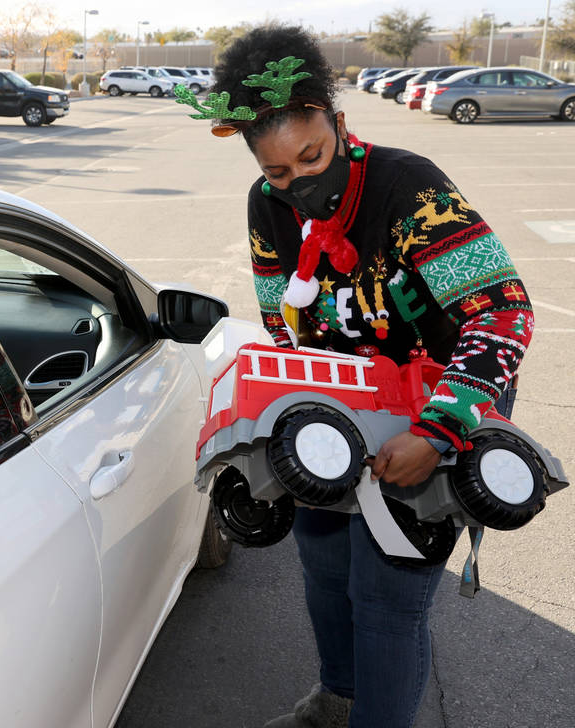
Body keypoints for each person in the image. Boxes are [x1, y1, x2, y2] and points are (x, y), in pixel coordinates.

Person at [174, 26, 534, 728]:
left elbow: (501, 313)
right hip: (341, 404)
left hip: (444, 397)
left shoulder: (409, 187)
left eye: (312, 155)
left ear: (338, 124)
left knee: (387, 593)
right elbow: (284, 322)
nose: (300, 182)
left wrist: (437, 430)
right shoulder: (266, 205)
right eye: (278, 171)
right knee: (326, 561)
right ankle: (337, 699)